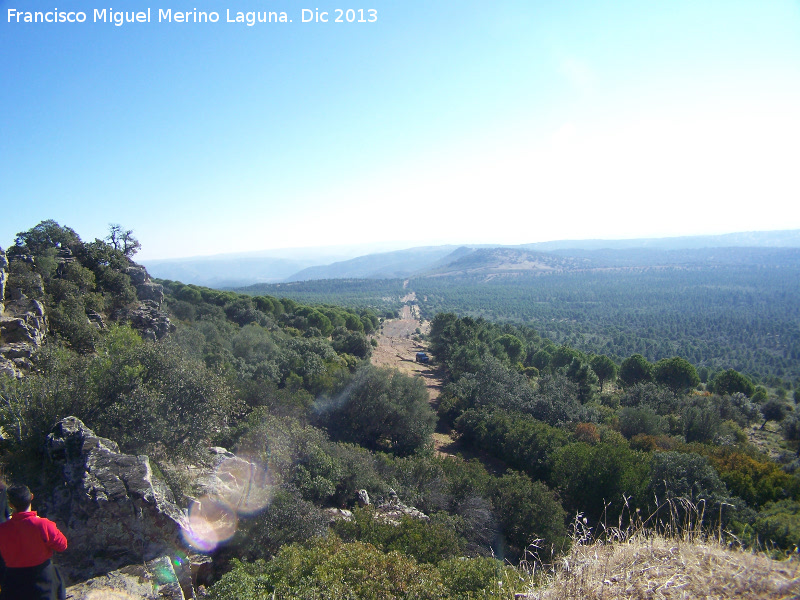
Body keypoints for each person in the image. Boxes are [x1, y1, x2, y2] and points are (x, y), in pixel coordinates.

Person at [0, 485, 67, 600]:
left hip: (13, 581)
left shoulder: (3, 530)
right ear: (31, 497)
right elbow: (62, 545)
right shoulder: (43, 524)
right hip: (43, 579)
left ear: (11, 505)